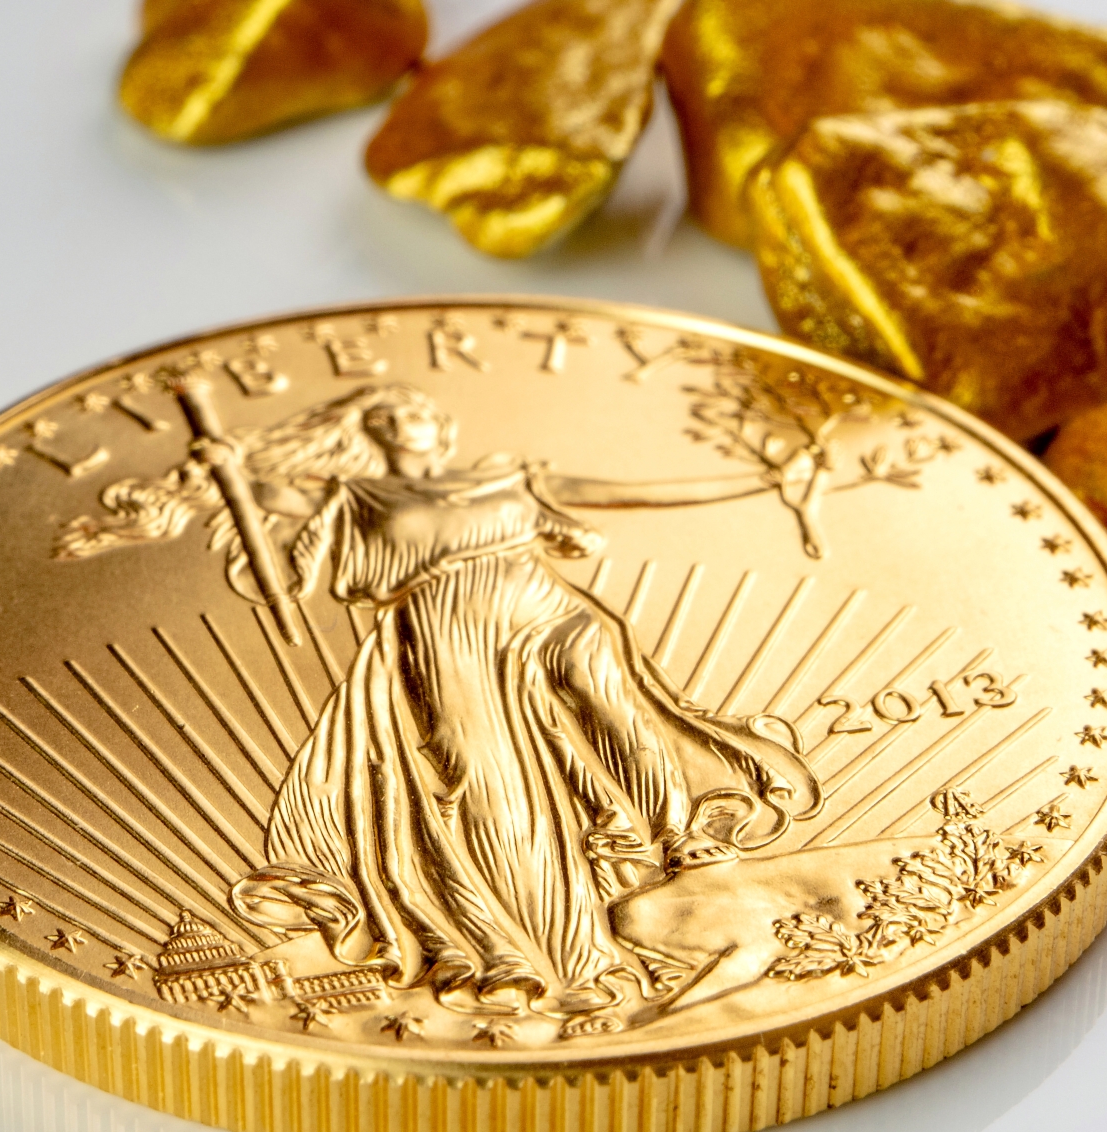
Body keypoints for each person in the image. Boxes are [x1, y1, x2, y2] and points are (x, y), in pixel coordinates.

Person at [62, 383, 822, 1023]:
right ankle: (543, 947)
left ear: (443, 425)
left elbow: (638, 495)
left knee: (617, 709)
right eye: (384, 419)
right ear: (369, 436)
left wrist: (762, 482)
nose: (402, 424)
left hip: (546, 604)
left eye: (416, 411)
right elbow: (270, 547)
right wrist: (219, 469)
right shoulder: (349, 495)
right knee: (477, 780)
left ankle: (675, 841)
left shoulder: (507, 479)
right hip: (442, 632)